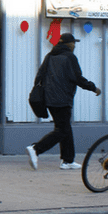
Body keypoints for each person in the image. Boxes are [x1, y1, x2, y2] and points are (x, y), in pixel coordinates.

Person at [26, 32, 101, 170]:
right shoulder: (69, 57)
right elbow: (78, 78)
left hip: (49, 99)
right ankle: (36, 149)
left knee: (65, 128)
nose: (74, 45)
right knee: (62, 130)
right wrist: (93, 88)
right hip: (62, 99)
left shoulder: (49, 56)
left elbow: (39, 77)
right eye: (74, 43)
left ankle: (68, 160)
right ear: (69, 44)